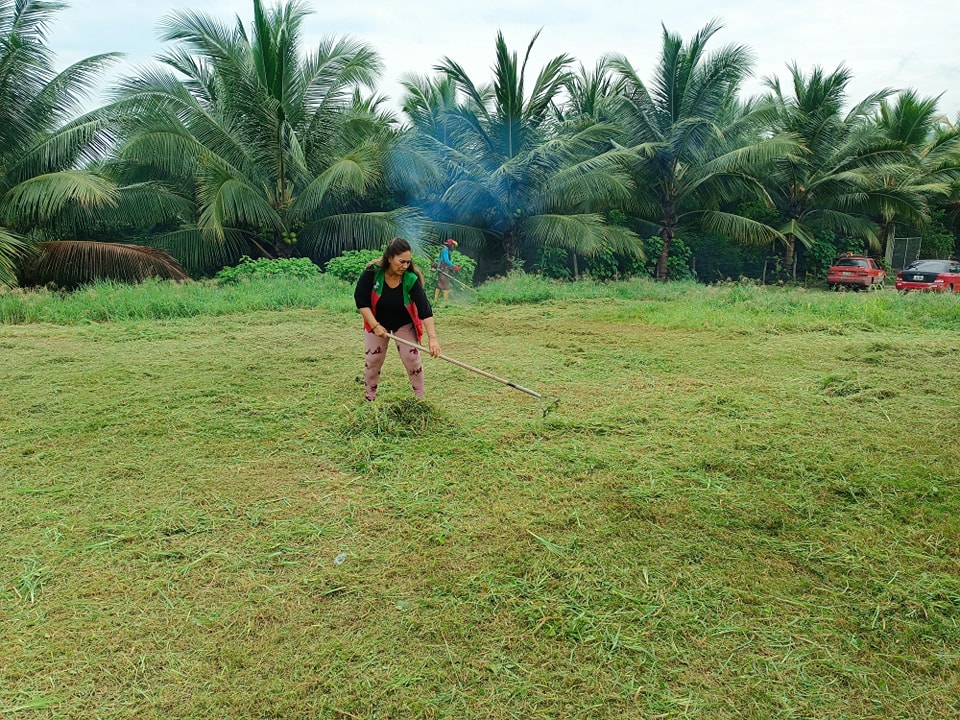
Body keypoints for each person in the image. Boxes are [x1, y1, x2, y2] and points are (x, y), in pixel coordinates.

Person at [354, 238, 441, 401]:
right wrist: (375, 326)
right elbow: (361, 301)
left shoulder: (410, 279)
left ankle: (420, 399)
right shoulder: (372, 273)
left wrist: (433, 338)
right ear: (390, 258)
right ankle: (370, 397)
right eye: (402, 261)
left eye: (408, 262)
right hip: (376, 321)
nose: (405, 266)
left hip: (404, 323)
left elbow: (425, 309)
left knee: (412, 358)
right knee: (373, 359)